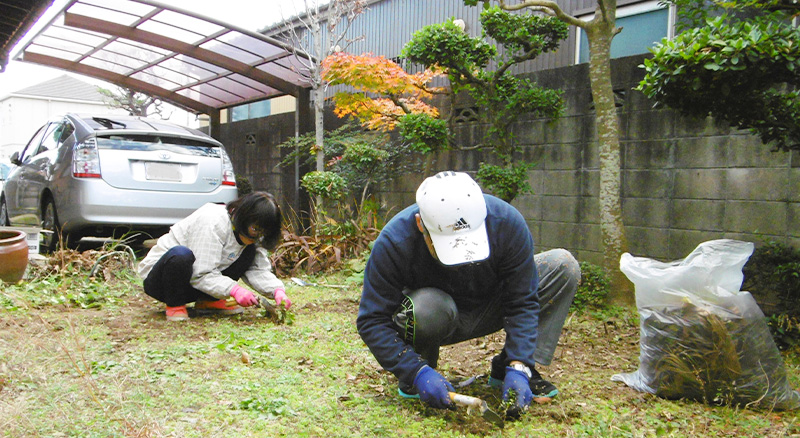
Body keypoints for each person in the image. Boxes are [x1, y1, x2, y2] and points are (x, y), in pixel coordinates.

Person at [356, 171, 579, 414]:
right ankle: (422, 370)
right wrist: (414, 371)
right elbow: (372, 320)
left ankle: (510, 368)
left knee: (562, 265)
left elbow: (522, 300)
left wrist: (520, 364)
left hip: (491, 303)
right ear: (421, 224)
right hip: (435, 314)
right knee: (426, 307)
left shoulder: (506, 223)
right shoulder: (394, 242)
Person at [138, 191, 291, 322]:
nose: (258, 236)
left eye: (263, 233)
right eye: (255, 229)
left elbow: (258, 270)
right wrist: (235, 290)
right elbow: (202, 273)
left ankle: (208, 302)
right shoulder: (212, 221)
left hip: (194, 283)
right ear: (243, 216)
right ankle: (175, 305)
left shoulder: (253, 239)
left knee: (249, 252)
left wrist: (277, 291)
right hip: (162, 281)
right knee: (181, 255)